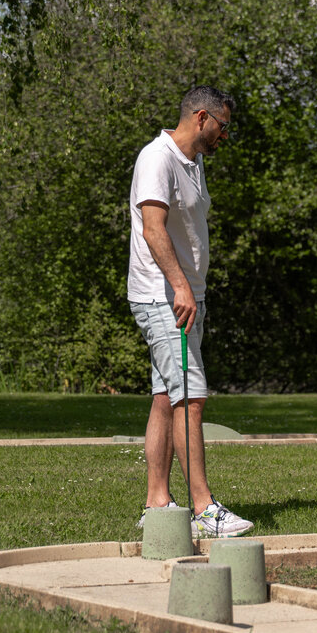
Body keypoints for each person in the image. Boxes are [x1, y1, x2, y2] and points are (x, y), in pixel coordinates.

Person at [127, 85, 252, 539]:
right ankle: (204, 509)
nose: (224, 136)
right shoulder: (156, 159)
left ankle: (157, 504)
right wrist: (180, 286)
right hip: (162, 296)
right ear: (202, 117)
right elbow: (152, 228)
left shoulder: (194, 163)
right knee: (190, 398)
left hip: (184, 298)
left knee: (166, 397)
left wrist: (191, 290)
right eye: (222, 127)